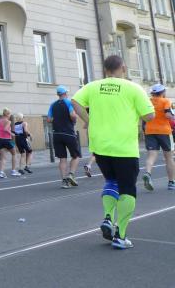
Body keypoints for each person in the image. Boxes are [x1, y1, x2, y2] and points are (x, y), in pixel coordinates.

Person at [71, 55, 154, 250]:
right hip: (124, 147)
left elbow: (74, 101)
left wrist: (89, 119)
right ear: (123, 68)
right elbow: (149, 115)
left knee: (111, 181)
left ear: (105, 69)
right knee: (127, 189)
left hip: (100, 145)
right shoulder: (133, 88)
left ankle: (108, 217)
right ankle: (120, 236)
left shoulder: (93, 86)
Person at [141, 84, 175, 192]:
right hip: (164, 131)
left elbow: (143, 116)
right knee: (169, 157)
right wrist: (173, 117)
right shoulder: (165, 101)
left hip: (150, 131)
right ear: (163, 92)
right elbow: (168, 115)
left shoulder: (148, 101)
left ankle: (148, 173)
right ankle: (171, 182)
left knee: (151, 155)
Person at [48, 86, 80, 189]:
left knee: (62, 159)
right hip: (68, 133)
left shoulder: (53, 105)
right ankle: (71, 174)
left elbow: (48, 119)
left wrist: (57, 120)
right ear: (65, 93)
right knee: (75, 156)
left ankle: (64, 181)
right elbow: (73, 115)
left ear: (58, 94)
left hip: (57, 134)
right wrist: (74, 120)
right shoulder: (69, 103)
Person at [0, 108, 20, 178]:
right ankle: (13, 171)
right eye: (9, 114)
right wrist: (11, 134)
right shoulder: (8, 121)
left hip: (0, 140)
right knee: (14, 153)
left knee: (3, 157)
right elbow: (5, 129)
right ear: (7, 114)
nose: (10, 115)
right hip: (7, 140)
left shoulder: (0, 121)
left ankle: (1, 172)